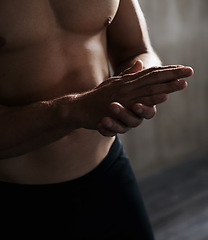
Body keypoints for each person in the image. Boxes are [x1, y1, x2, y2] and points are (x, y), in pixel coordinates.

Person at [0, 0, 193, 239]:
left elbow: (137, 50)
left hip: (109, 174)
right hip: (16, 199)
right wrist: (75, 109)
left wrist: (139, 88)